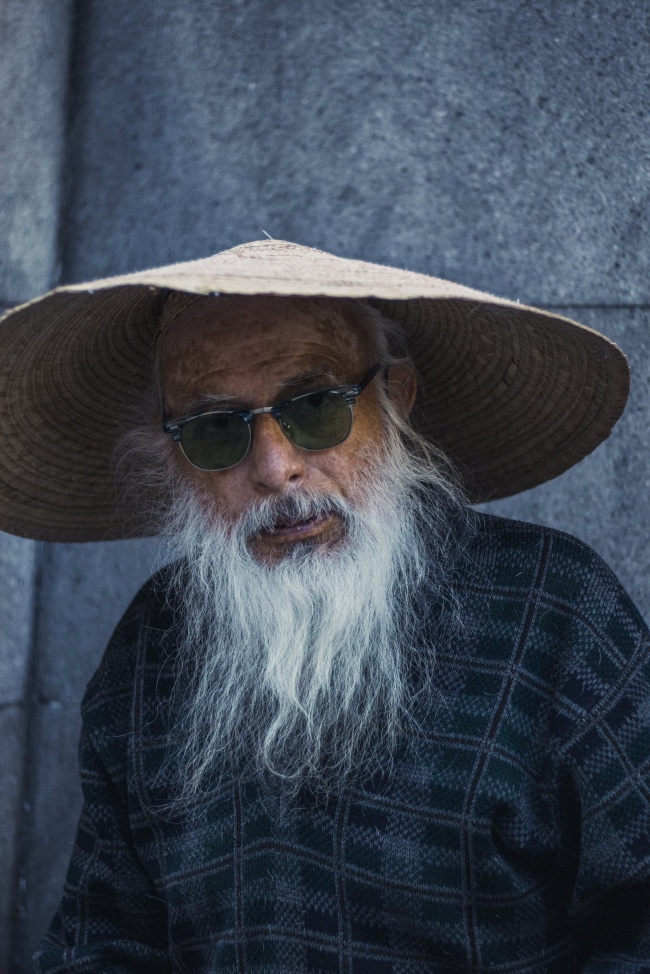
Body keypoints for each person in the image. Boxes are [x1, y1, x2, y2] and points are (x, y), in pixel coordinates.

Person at [0, 240, 648, 972]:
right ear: (174, 458)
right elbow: (102, 941)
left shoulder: (553, 609)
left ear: (394, 400)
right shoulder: (152, 645)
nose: (276, 467)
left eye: (314, 406)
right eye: (218, 429)